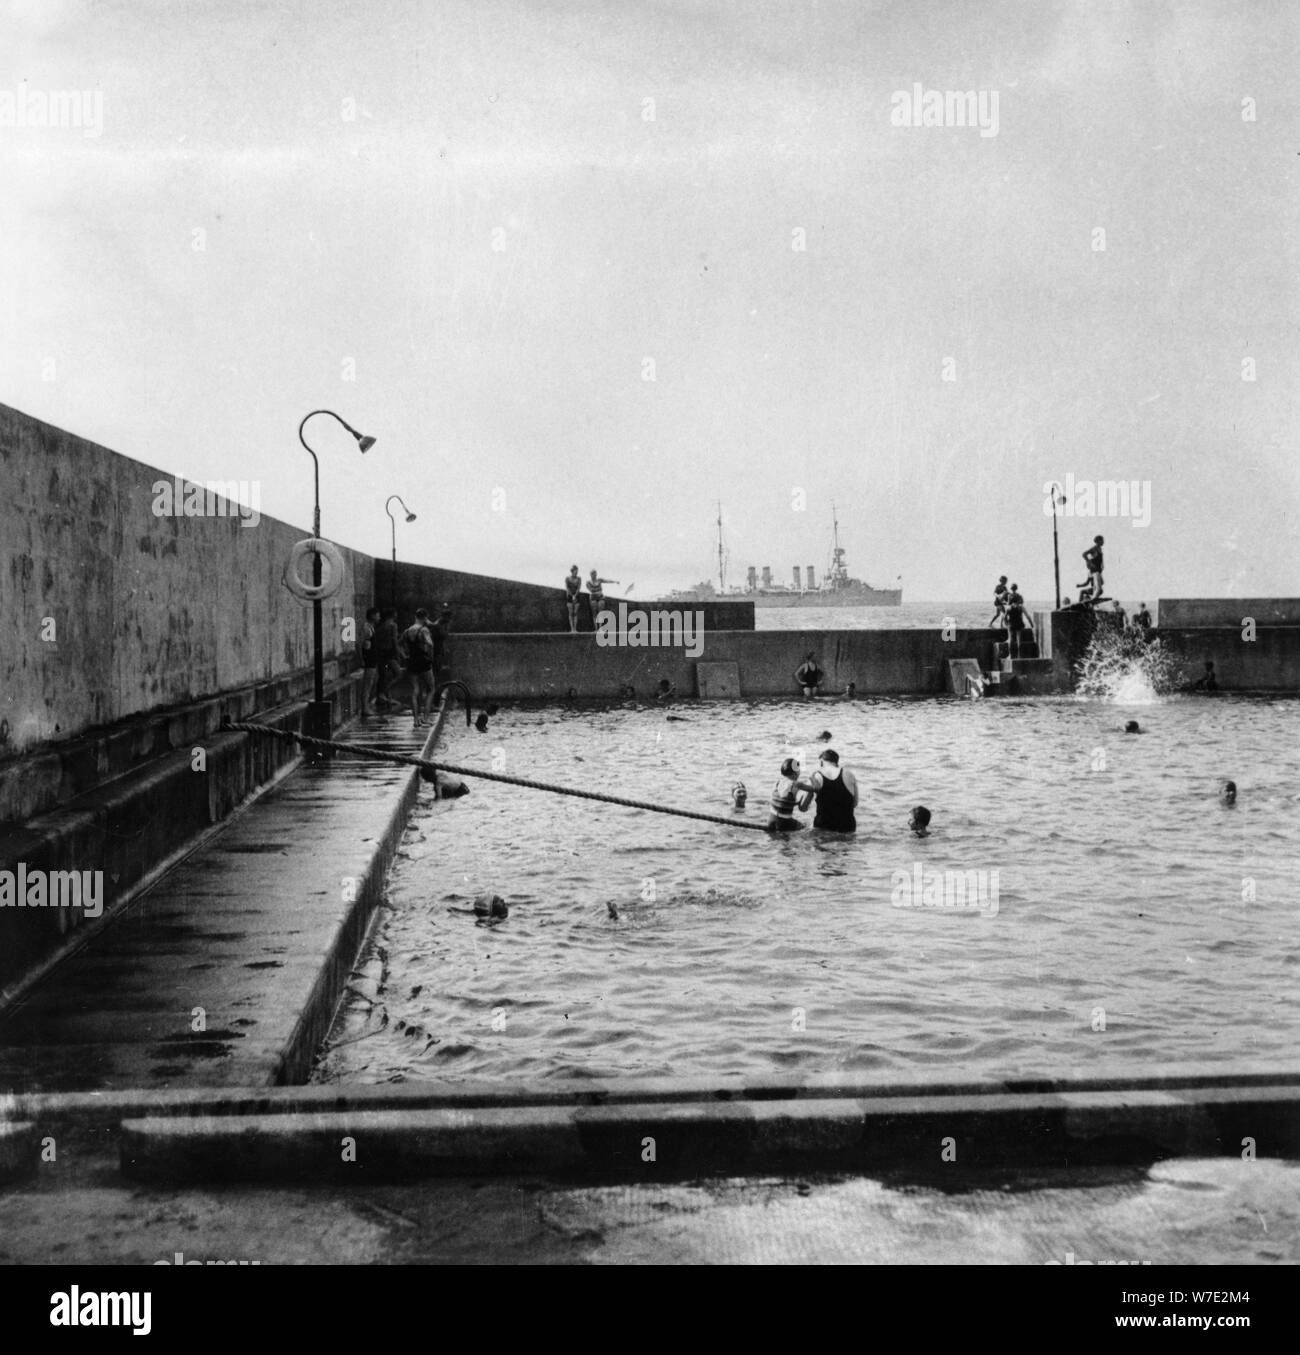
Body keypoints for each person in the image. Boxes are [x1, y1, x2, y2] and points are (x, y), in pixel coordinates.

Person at [802, 749, 857, 833]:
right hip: (847, 827)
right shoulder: (849, 774)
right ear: (836, 762)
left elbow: (803, 807)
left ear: (821, 762)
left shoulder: (816, 776)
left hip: (824, 826)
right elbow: (854, 803)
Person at [401, 608, 437, 727]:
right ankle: (425, 718)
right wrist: (431, 659)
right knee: (431, 688)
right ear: (424, 617)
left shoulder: (407, 631)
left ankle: (415, 720)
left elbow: (399, 644)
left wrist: (405, 656)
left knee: (415, 690)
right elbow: (430, 644)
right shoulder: (424, 630)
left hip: (411, 661)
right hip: (423, 661)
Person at [767, 757, 810, 833]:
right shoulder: (796, 785)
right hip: (784, 822)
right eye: (798, 769)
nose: (799, 772)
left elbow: (780, 801)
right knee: (806, 827)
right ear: (795, 773)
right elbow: (803, 808)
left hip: (771, 819)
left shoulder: (777, 783)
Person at [374, 607, 401, 707]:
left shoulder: (380, 626)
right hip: (389, 653)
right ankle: (383, 693)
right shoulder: (393, 625)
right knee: (398, 673)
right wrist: (398, 654)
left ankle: (386, 697)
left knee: (384, 675)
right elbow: (394, 641)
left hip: (381, 653)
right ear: (393, 615)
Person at [359, 607, 381, 714]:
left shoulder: (371, 627)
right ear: (372, 616)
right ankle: (365, 708)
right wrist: (362, 659)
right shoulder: (367, 628)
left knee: (371, 682)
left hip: (372, 659)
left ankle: (367, 705)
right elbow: (361, 644)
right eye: (377, 615)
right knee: (367, 684)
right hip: (369, 659)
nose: (379, 617)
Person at [1005, 584, 1032, 658]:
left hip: (1011, 624)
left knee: (1010, 639)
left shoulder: (1009, 607)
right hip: (1019, 623)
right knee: (1019, 640)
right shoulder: (1020, 607)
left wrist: (1006, 624)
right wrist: (1032, 625)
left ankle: (1010, 655)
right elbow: (1028, 616)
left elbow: (1004, 617)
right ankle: (1019, 655)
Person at [1079, 535, 1104, 600]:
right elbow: (1084, 554)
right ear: (1098, 541)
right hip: (1095, 570)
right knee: (1098, 589)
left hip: (1098, 570)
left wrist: (1102, 565)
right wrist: (1089, 562)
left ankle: (1092, 598)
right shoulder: (1094, 548)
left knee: (1098, 587)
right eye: (1102, 540)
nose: (1103, 542)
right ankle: (1093, 599)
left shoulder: (1099, 549)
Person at [564, 565, 582, 632]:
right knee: (570, 613)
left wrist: (575, 595)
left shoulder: (579, 578)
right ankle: (572, 629)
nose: (576, 572)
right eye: (575, 570)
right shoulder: (567, 578)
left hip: (577, 596)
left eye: (577, 570)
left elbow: (578, 587)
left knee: (575, 613)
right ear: (572, 571)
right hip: (569, 596)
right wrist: (571, 596)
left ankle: (575, 628)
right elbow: (567, 588)